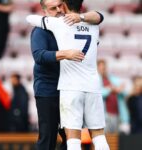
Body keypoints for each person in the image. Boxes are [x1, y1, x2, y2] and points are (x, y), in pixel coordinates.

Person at [27, 0, 110, 150]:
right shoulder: (40, 30)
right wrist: (65, 54)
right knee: (48, 137)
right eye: (53, 8)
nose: (58, 10)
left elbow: (100, 16)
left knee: (70, 137)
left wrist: (81, 17)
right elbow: (39, 56)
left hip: (69, 88)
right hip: (49, 90)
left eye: (60, 5)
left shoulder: (71, 24)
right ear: (44, 10)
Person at [97, 59, 130, 134]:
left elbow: (124, 92)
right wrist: (110, 89)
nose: (103, 70)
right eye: (101, 68)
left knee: (116, 140)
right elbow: (98, 93)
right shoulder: (96, 79)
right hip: (105, 116)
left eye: (104, 68)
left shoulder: (112, 78)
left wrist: (119, 89)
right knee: (106, 138)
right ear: (97, 68)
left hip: (117, 114)